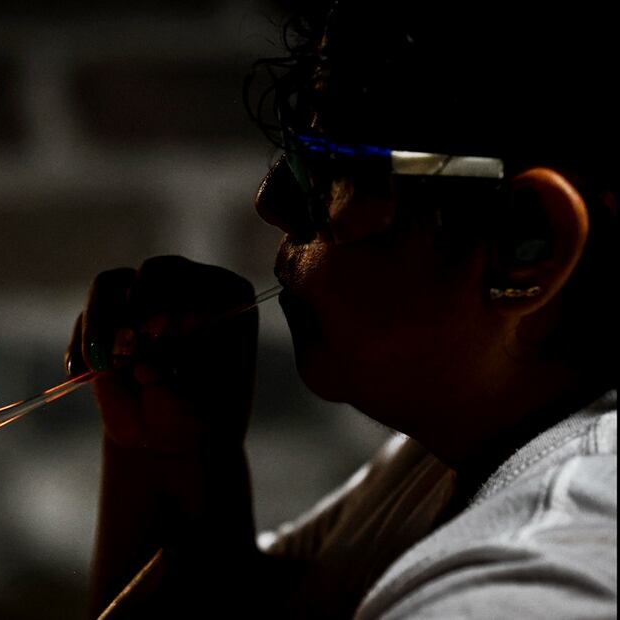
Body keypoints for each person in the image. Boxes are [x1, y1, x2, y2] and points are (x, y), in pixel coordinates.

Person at [66, 1, 617, 617]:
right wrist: (178, 458)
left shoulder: (525, 588)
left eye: (329, 164)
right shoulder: (469, 443)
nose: (270, 200)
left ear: (526, 245)